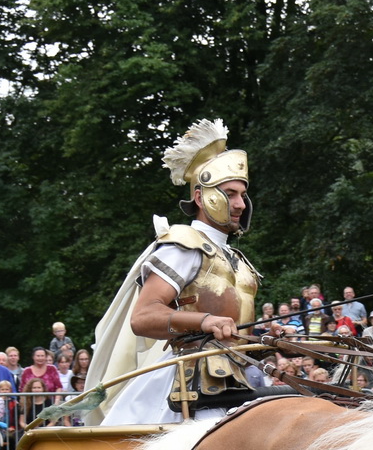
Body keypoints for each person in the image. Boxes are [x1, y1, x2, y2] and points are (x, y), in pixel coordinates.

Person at [86, 117, 260, 425]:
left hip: (238, 378)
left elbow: (237, 335)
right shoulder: (184, 245)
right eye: (230, 194)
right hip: (189, 383)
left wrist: (268, 338)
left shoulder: (236, 259)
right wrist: (205, 321)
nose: (240, 204)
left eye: (242, 195)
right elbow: (143, 318)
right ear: (200, 197)